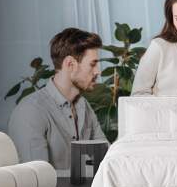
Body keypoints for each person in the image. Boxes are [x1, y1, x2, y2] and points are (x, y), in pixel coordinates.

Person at [8, 28, 106, 169]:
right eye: (93, 64)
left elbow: (105, 158)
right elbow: (38, 179)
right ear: (70, 64)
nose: (98, 71)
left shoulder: (84, 106)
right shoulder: (30, 112)